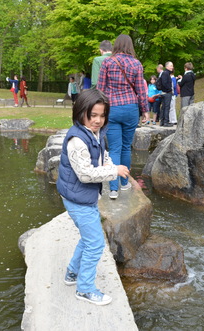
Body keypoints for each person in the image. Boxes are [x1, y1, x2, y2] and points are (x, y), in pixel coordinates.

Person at [57, 89, 130, 306]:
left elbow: (102, 155)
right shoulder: (77, 141)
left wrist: (110, 164)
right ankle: (85, 288)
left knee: (89, 239)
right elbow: (86, 173)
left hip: (83, 198)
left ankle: (72, 272)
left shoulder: (94, 133)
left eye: (102, 115)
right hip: (78, 199)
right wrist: (114, 171)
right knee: (96, 244)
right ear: (80, 113)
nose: (98, 120)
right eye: (93, 116)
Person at [97, 34, 149, 199]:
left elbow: (100, 89)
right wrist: (145, 111)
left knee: (114, 149)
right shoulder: (136, 64)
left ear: (116, 46)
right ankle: (125, 183)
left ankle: (113, 189)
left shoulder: (108, 62)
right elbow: (141, 90)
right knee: (126, 147)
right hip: (131, 109)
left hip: (112, 109)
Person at [158, 62, 173, 126]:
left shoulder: (165, 73)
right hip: (166, 93)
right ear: (167, 67)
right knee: (166, 107)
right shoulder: (166, 73)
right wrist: (169, 89)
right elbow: (164, 83)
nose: (172, 67)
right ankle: (165, 122)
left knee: (164, 107)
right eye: (171, 66)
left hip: (164, 93)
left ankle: (163, 121)